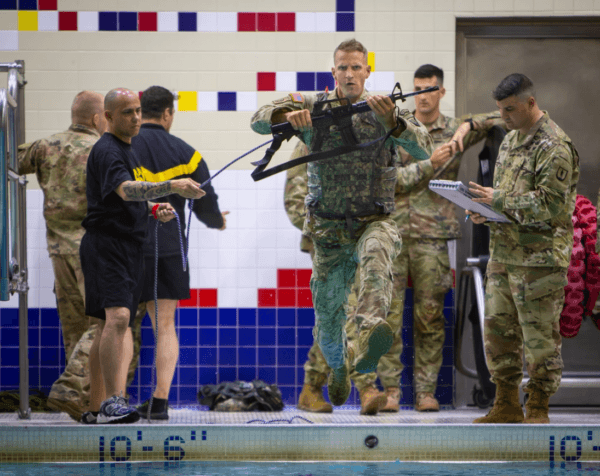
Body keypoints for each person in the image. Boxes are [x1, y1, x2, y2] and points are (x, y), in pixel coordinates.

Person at [252, 38, 435, 408]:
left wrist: (393, 123)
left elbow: (424, 150)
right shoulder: (312, 105)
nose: (350, 74)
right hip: (329, 229)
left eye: (357, 67)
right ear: (333, 71)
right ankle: (337, 368)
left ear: (368, 70)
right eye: (343, 67)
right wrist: (286, 118)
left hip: (373, 219)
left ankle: (369, 337)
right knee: (329, 320)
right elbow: (257, 120)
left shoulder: (386, 108)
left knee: (377, 256)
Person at [286, 140, 455, 415]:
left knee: (349, 313)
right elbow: (295, 202)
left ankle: (331, 388)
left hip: (362, 239)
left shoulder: (364, 135)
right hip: (329, 242)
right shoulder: (309, 140)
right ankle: (349, 387)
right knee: (337, 314)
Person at [79, 88, 205, 424]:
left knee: (110, 323)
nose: (135, 118)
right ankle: (111, 402)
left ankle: (95, 408)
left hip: (127, 244)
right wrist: (173, 187)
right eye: (126, 113)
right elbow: (125, 190)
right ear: (107, 117)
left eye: (137, 111)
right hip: (108, 246)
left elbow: (122, 200)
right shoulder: (108, 150)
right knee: (119, 318)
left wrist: (151, 209)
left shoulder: (128, 148)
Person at [463, 73, 579, 424]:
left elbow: (551, 205)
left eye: (510, 109)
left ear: (531, 103)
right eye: (500, 111)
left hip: (540, 258)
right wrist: (485, 213)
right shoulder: (511, 141)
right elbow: (508, 202)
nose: (505, 118)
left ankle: (539, 404)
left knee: (539, 335)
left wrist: (497, 200)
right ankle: (506, 402)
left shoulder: (555, 145)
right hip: (504, 254)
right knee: (498, 331)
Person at [390, 64, 506, 411]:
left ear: (441, 92)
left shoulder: (454, 129)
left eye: (429, 89)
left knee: (429, 316)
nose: (422, 96)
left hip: (434, 237)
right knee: (389, 316)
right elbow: (390, 180)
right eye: (417, 89)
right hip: (394, 233)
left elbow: (501, 116)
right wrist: (430, 163)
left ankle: (426, 393)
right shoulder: (399, 128)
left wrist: (469, 125)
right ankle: (392, 393)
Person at [16, 91, 134, 421]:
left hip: (57, 250)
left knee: (75, 328)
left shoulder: (45, 146)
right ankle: (71, 388)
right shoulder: (102, 149)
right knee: (103, 323)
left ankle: (84, 405)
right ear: (98, 119)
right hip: (91, 247)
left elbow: (10, 158)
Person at [130, 85, 228, 420]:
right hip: (169, 249)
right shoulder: (186, 153)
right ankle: (159, 402)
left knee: (119, 325)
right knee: (165, 325)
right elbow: (205, 199)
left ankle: (112, 400)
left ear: (140, 112)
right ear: (168, 113)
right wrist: (217, 222)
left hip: (129, 247)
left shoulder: (124, 147)